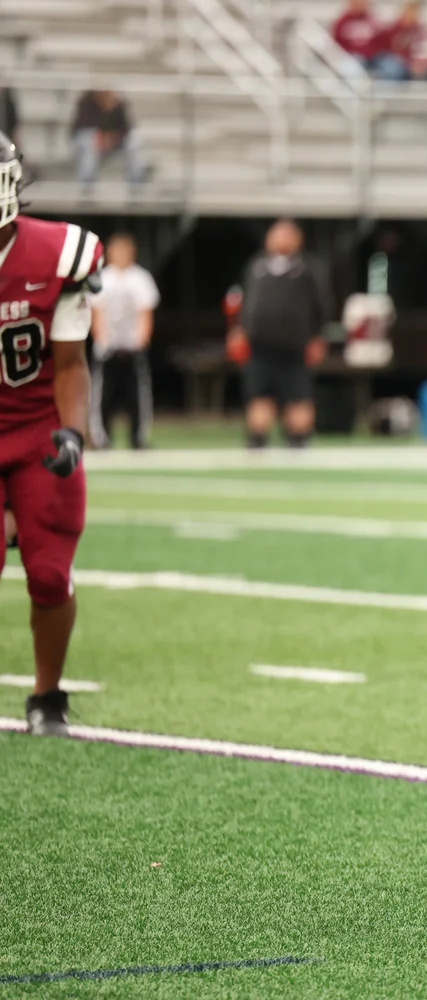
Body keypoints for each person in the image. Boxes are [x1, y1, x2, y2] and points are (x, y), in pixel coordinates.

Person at [0, 131, 102, 736]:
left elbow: (70, 364)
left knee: (47, 572)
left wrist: (72, 434)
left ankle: (47, 697)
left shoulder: (56, 254)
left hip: (37, 428)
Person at [229, 219, 334, 449]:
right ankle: (257, 438)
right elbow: (246, 304)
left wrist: (318, 337)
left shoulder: (307, 269)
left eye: (287, 235)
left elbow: (322, 306)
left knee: (298, 396)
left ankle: (298, 437)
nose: (281, 239)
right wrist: (239, 331)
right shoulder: (257, 267)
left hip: (294, 346)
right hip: (260, 345)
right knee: (259, 394)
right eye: (277, 234)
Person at [87, 233, 159, 450]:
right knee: (102, 397)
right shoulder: (102, 278)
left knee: (137, 395)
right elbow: (95, 312)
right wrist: (101, 339)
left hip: (132, 347)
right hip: (107, 349)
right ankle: (101, 439)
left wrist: (141, 340)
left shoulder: (141, 278)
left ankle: (138, 437)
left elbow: (146, 312)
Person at [71, 91, 147, 191]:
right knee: (89, 141)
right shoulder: (86, 103)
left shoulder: (119, 105)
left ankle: (136, 188)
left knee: (135, 142)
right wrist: (101, 137)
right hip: (89, 143)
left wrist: (113, 137)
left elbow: (126, 128)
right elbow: (82, 127)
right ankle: (86, 188)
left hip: (113, 143)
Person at [372, 1, 427, 81]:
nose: (411, 14)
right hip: (398, 64)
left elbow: (424, 51)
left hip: (415, 64)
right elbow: (385, 52)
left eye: (414, 11)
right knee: (392, 68)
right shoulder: (391, 30)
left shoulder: (421, 31)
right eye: (409, 10)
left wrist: (420, 64)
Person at [330, 0, 382, 66]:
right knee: (354, 65)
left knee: (389, 65)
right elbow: (337, 42)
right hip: (352, 56)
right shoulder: (342, 22)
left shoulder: (372, 19)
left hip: (373, 55)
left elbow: (380, 39)